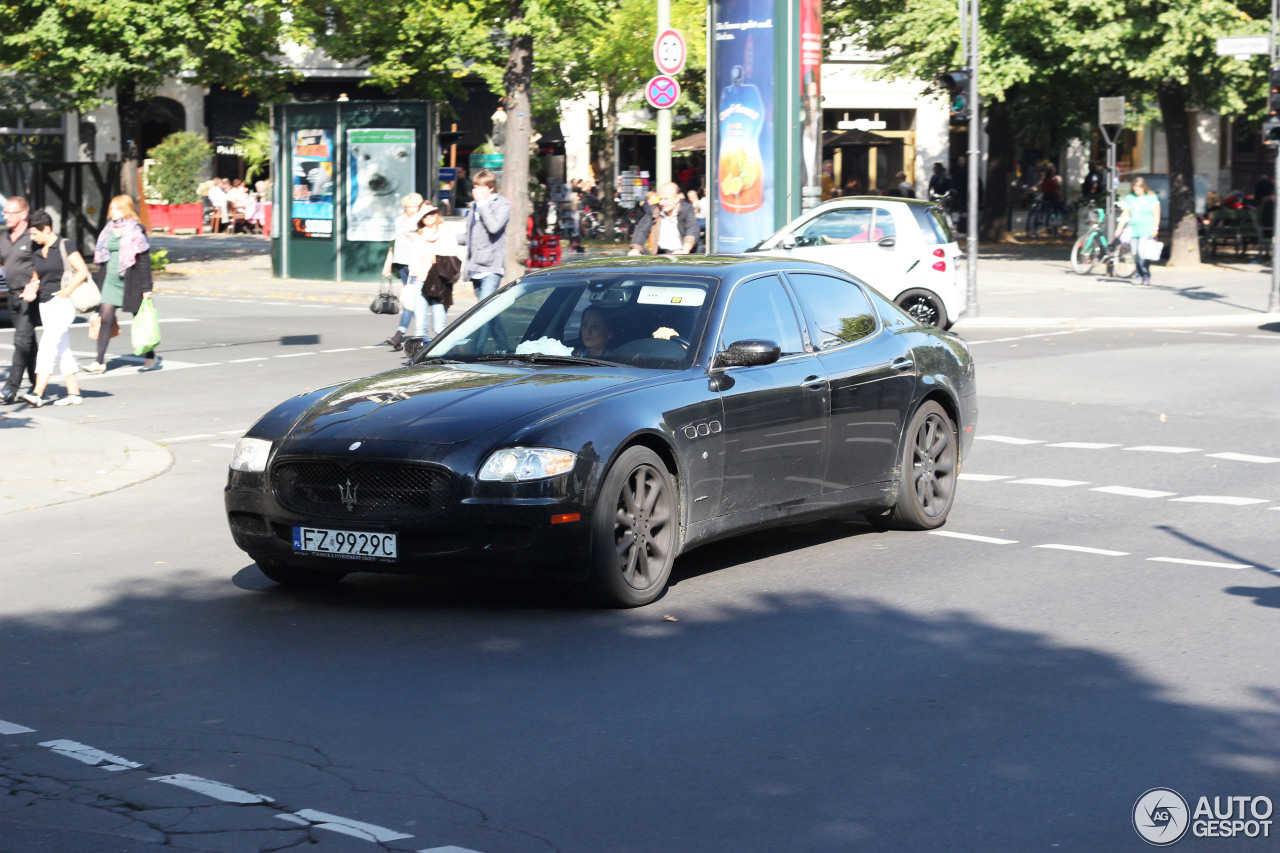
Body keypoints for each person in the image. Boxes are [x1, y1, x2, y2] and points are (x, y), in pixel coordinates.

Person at [19, 210, 91, 407]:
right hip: (45, 304)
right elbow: (36, 276)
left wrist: (67, 290)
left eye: (35, 233)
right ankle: (74, 393)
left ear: (47, 229)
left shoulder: (64, 245)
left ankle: (38, 393)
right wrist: (31, 289)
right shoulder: (36, 247)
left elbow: (83, 270)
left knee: (47, 346)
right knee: (62, 349)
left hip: (62, 303)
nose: (32, 238)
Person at [83, 195, 159, 374]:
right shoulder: (107, 230)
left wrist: (147, 287)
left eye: (117, 208)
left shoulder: (136, 231)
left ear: (127, 209)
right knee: (106, 318)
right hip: (110, 280)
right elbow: (102, 258)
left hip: (130, 280)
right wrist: (99, 285)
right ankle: (99, 361)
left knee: (139, 318)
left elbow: (143, 262)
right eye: (112, 208)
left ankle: (150, 355)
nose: (113, 212)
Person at [460, 169, 510, 350]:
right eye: (474, 187)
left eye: (480, 187)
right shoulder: (474, 206)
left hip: (491, 265)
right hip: (474, 266)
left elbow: (494, 227)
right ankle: (505, 348)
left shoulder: (501, 204)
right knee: (490, 312)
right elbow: (471, 236)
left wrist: (482, 205)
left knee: (483, 312)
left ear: (490, 188)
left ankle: (474, 351)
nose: (476, 191)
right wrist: (447, 239)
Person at [1, 196, 39, 405]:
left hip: (30, 296)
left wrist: (35, 282)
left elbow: (44, 264)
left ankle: (10, 388)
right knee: (29, 343)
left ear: (23, 214)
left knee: (21, 341)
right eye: (4, 212)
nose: (4, 216)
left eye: (9, 213)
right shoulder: (5, 238)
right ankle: (36, 384)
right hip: (12, 296)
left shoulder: (32, 237)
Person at [407, 204, 461, 340]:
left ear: (438, 214)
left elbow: (453, 257)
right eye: (425, 214)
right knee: (420, 327)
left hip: (440, 283)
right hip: (420, 281)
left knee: (439, 328)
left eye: (432, 212)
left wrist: (438, 257)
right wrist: (421, 212)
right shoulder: (418, 234)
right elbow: (406, 228)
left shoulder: (446, 233)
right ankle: (421, 357)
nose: (429, 216)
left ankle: (446, 354)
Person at [380, 192, 426, 350]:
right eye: (409, 207)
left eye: (414, 206)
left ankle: (399, 334)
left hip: (416, 264)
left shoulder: (421, 221)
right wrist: (388, 263)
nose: (411, 210)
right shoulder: (400, 220)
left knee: (410, 300)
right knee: (411, 299)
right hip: (401, 264)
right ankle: (421, 333)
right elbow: (394, 244)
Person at [628, 182, 699, 256]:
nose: (662, 203)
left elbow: (692, 229)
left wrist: (685, 249)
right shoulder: (654, 210)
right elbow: (642, 229)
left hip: (687, 255)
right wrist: (636, 249)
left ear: (677, 199)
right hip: (662, 254)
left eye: (666, 199)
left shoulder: (687, 209)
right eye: (660, 199)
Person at [1116, 176, 1161, 286]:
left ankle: (1145, 274)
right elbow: (1126, 213)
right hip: (1134, 229)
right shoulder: (1130, 198)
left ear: (1144, 188)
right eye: (1135, 189)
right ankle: (1139, 275)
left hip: (1146, 229)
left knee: (1142, 253)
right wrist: (1119, 228)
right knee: (1135, 253)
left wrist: (1155, 228)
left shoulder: (1151, 198)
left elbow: (1156, 214)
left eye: (1139, 189)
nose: (1136, 192)